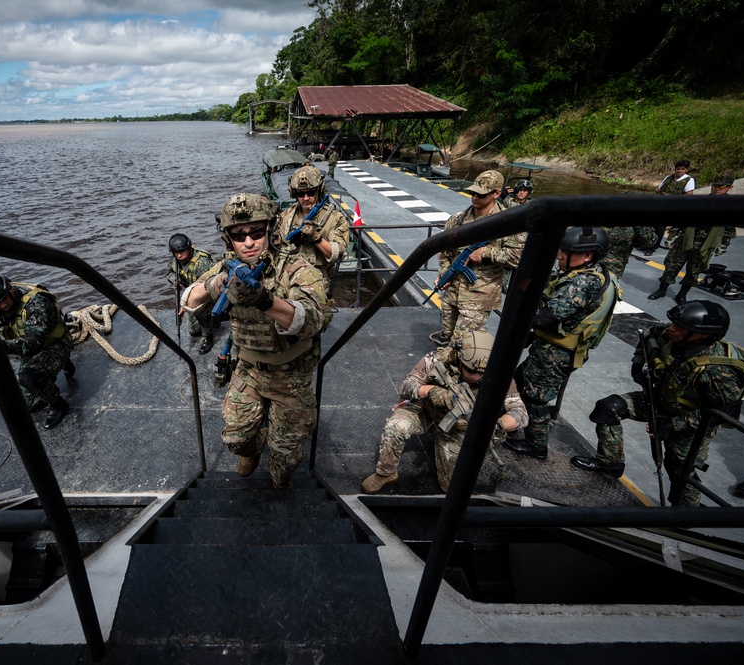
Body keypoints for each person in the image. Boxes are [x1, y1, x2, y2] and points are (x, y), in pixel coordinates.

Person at [182, 193, 327, 489]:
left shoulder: (294, 267)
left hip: (292, 374)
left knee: (284, 459)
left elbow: (311, 318)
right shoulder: (227, 266)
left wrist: (264, 300)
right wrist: (216, 283)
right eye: (239, 236)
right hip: (249, 367)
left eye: (256, 233)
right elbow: (188, 300)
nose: (248, 242)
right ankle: (254, 448)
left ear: (269, 231)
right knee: (236, 439)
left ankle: (279, 468)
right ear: (229, 240)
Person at [572, 301, 744, 507]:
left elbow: (717, 416)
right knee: (609, 408)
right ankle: (610, 462)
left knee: (679, 469)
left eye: (680, 327)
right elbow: (648, 338)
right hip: (660, 398)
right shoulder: (673, 336)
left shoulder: (720, 373)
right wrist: (639, 370)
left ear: (702, 334)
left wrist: (670, 425)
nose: (671, 329)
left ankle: (687, 509)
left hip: (690, 422)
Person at [360, 330, 527, 494]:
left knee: (451, 488)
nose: (476, 377)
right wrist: (430, 390)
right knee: (395, 428)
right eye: (470, 370)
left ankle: (443, 443)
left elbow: (520, 412)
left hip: (458, 426)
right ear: (459, 358)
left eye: (481, 373)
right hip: (424, 411)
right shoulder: (437, 359)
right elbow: (406, 386)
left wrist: (496, 424)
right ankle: (385, 473)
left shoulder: (499, 373)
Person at [505, 227, 620, 459]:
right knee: (517, 381)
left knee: (535, 397)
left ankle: (536, 445)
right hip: (551, 346)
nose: (559, 255)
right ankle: (512, 419)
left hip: (555, 353)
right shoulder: (591, 272)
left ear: (587, 255)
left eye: (565, 252)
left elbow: (548, 318)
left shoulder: (583, 283)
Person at [431, 169, 526, 345]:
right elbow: (445, 252)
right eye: (473, 193)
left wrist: (486, 253)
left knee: (461, 343)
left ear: (497, 193)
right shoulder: (458, 220)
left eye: (481, 195)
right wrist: (444, 274)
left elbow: (520, 256)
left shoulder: (508, 223)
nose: (475, 197)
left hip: (480, 294)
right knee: (447, 334)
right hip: (453, 289)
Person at [0, 274, 75, 429]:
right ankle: (62, 365)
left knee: (28, 378)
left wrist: (2, 347)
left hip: (55, 343)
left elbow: (33, 343)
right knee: (29, 405)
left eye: (5, 300)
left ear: (10, 290)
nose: (3, 306)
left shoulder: (37, 302)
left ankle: (59, 405)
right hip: (29, 346)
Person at [648, 174, 736, 304]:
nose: (717, 189)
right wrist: (672, 235)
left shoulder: (730, 207)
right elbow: (683, 218)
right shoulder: (700, 202)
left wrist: (724, 245)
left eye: (722, 187)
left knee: (694, 271)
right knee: (672, 264)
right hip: (686, 238)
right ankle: (662, 289)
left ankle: (682, 294)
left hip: (705, 243)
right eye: (715, 186)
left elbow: (729, 228)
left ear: (730, 188)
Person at [273, 164, 350, 297]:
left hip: (318, 283)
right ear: (294, 193)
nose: (306, 198)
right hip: (287, 282)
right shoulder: (286, 217)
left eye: (311, 193)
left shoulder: (334, 218)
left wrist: (316, 237)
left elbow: (339, 253)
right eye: (301, 194)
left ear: (319, 191)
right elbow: (275, 248)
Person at [167, 232, 216, 354]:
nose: (179, 255)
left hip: (206, 293)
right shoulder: (175, 260)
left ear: (189, 248)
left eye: (182, 251)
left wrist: (188, 305)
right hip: (191, 293)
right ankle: (214, 319)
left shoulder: (201, 262)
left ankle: (208, 336)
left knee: (201, 315)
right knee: (194, 332)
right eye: (176, 253)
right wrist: (174, 280)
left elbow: (209, 285)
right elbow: (170, 273)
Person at [647, 159, 695, 254]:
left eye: (682, 169)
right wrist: (659, 191)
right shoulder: (669, 178)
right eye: (678, 169)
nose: (679, 171)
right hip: (661, 204)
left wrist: (670, 196)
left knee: (661, 227)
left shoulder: (689, 180)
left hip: (674, 206)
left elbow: (689, 194)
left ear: (686, 170)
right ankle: (648, 242)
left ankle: (653, 247)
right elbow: (659, 188)